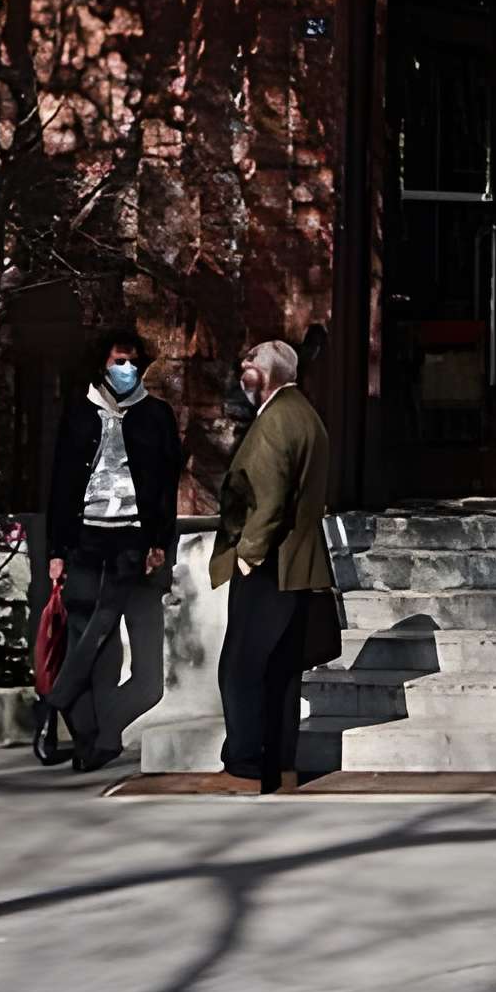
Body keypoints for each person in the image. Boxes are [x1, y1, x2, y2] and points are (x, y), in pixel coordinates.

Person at [38, 328, 181, 775]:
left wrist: (160, 541)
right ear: (102, 363)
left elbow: (166, 487)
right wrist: (56, 550)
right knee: (90, 639)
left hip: (130, 539)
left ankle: (53, 703)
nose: (127, 369)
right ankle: (90, 741)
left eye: (134, 362)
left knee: (106, 629)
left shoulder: (156, 415)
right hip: (85, 537)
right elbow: (60, 484)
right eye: (119, 361)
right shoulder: (79, 413)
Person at [206, 338, 335, 795]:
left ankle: (244, 762)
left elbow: (270, 498)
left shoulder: (277, 420)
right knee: (281, 671)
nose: (244, 369)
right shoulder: (306, 415)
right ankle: (278, 763)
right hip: (296, 563)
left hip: (268, 565)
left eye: (251, 362)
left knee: (242, 666)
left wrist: (247, 555)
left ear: (273, 373)